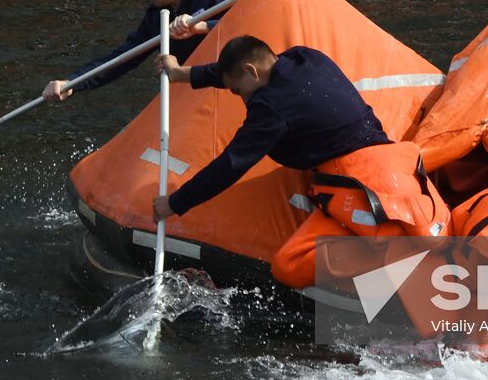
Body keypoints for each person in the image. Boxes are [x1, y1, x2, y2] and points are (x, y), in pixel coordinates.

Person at [154, 35, 450, 290]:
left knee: (287, 266)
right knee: (424, 232)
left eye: (238, 92)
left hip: (358, 181)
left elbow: (231, 164)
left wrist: (176, 202)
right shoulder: (305, 56)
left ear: (251, 72)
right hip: (396, 159)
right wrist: (184, 74)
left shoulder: (270, 107)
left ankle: (392, 257)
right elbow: (238, 69)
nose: (242, 100)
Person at [42, 0, 240, 101]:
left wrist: (204, 26)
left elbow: (247, 28)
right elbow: (123, 58)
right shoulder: (156, 16)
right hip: (194, 100)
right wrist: (72, 83)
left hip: (233, 90)